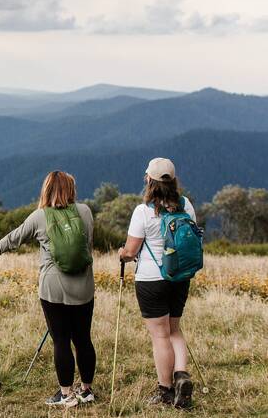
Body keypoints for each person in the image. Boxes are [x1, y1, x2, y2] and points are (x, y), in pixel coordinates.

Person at [0, 171, 96, 408]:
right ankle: (86, 391)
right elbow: (88, 246)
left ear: (46, 190)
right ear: (71, 189)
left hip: (53, 288)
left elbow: (15, 238)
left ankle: (66, 395)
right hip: (84, 287)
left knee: (61, 341)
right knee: (83, 339)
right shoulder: (85, 211)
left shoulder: (39, 217)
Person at [118, 158, 196, 408]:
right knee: (175, 330)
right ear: (173, 181)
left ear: (148, 180)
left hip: (151, 279)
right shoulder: (187, 205)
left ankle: (165, 391)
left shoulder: (144, 211)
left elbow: (131, 251)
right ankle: (181, 374)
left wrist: (121, 254)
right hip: (180, 277)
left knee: (160, 336)